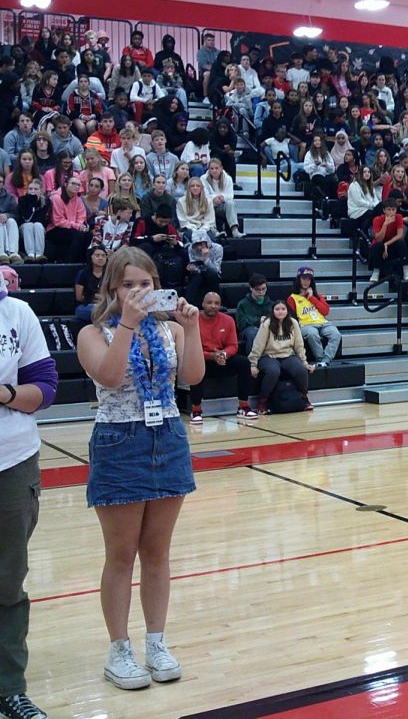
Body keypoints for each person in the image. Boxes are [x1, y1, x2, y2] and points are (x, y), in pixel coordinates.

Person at [76, 247, 203, 691]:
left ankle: (156, 642)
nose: (137, 292)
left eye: (144, 284)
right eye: (128, 285)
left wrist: (192, 327)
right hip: (118, 440)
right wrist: (127, 323)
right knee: (121, 554)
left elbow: (192, 377)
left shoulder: (169, 329)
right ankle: (119, 649)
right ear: (113, 287)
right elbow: (110, 378)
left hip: (167, 437)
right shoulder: (94, 333)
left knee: (157, 553)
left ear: (157, 285)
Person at [0, 264, 59, 719]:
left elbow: (45, 387)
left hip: (12, 461)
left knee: (7, 580)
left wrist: (4, 394)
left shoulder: (17, 313)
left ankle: (9, 688)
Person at [190, 291, 256, 422]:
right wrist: (211, 356)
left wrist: (223, 355)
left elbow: (233, 346)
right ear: (203, 304)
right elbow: (191, 349)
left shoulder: (228, 320)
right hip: (203, 359)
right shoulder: (193, 321)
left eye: (216, 303)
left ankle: (243, 406)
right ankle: (196, 409)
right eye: (209, 302)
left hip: (222, 359)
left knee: (243, 363)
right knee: (194, 364)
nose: (213, 306)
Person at [248, 301, 313, 415]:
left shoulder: (293, 323)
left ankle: (304, 397)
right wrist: (253, 364)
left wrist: (304, 362)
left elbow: (299, 344)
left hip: (287, 355)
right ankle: (262, 402)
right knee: (273, 371)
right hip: (268, 356)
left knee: (300, 369)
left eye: (283, 309)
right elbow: (258, 345)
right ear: (273, 311)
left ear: (287, 311)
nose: (280, 311)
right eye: (277, 309)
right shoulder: (267, 324)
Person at [288, 268, 341, 367]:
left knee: (336, 334)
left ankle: (326, 360)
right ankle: (320, 359)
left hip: (323, 323)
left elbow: (326, 311)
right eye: (304, 278)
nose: (306, 281)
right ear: (298, 279)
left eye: (309, 279)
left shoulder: (317, 296)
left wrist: (311, 298)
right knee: (313, 334)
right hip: (306, 325)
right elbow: (292, 316)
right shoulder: (292, 298)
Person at [368, 199, 407, 283]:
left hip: (391, 245)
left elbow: (400, 235)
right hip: (380, 247)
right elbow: (379, 239)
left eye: (393, 209)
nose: (391, 212)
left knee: (401, 243)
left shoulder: (399, 217)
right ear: (384, 210)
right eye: (388, 209)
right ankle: (376, 271)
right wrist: (385, 224)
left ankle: (406, 270)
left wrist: (387, 244)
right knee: (378, 245)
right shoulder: (377, 219)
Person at [201, 159, 242, 238]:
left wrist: (223, 197)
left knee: (231, 203)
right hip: (209, 206)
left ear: (221, 168)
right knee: (208, 203)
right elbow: (204, 195)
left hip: (222, 205)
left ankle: (235, 230)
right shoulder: (203, 178)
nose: (214, 171)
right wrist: (214, 198)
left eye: (216, 168)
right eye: (212, 168)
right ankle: (213, 230)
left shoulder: (228, 178)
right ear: (208, 169)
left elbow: (230, 195)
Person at [235, 274, 273, 355]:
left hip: (267, 328)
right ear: (251, 288)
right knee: (253, 332)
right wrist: (258, 320)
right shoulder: (242, 304)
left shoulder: (271, 304)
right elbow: (241, 323)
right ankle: (252, 361)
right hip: (248, 330)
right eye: (258, 289)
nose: (261, 292)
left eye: (263, 289)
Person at [74, 245, 109, 321]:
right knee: (98, 309)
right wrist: (95, 297)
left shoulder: (109, 274)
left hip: (105, 304)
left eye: (103, 256)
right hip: (85, 305)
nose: (101, 258)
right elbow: (79, 297)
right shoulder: (83, 273)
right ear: (91, 257)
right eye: (97, 255)